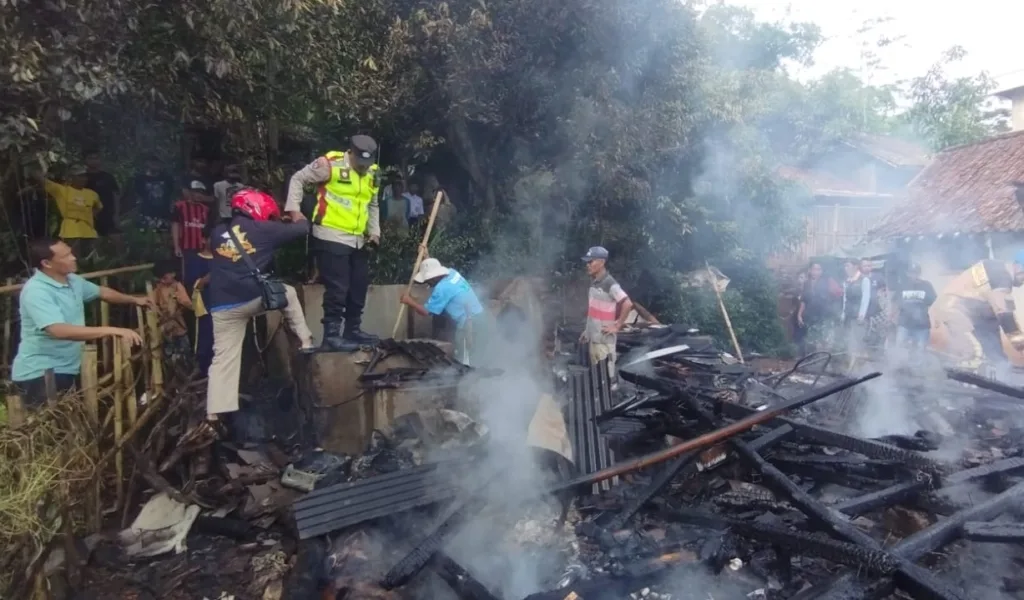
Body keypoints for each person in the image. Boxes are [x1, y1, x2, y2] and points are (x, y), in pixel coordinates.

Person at [204, 189, 315, 428]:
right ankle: (305, 340)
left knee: (223, 357)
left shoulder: (215, 234)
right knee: (289, 293)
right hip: (253, 298)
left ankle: (215, 412)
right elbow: (303, 229)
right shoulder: (264, 230)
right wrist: (295, 215)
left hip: (222, 306)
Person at [12, 238, 148, 407]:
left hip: (68, 367)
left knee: (72, 426)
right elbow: (58, 330)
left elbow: (101, 292)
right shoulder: (36, 291)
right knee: (55, 429)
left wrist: (134, 300)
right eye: (66, 256)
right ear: (46, 263)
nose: (73, 258)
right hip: (41, 373)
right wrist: (112, 330)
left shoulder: (72, 280)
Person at [285, 135, 381, 351]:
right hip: (331, 234)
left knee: (359, 285)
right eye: (360, 163)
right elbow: (298, 179)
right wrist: (294, 211)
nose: (364, 168)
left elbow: (372, 204)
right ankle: (331, 335)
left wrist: (375, 232)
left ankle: (353, 330)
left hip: (359, 239)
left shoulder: (373, 172)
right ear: (351, 153)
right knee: (338, 287)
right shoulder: (329, 164)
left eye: (367, 164)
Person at [932, 252, 1024, 369]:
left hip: (977, 315)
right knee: (974, 353)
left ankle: (999, 383)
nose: (1023, 282)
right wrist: (1021, 346)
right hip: (955, 309)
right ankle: (954, 381)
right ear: (1019, 267)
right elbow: (1006, 317)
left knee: (998, 359)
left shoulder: (996, 268)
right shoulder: (1002, 278)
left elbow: (996, 310)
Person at [400, 258, 489, 365]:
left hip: (469, 324)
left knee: (465, 362)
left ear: (432, 278)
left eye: (427, 280)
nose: (427, 283)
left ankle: (469, 381)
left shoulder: (442, 289)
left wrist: (408, 301)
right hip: (480, 317)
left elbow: (425, 312)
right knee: (477, 356)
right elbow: (433, 272)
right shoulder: (452, 273)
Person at [579, 246, 633, 388]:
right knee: (597, 376)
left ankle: (611, 404)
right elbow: (593, 310)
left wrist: (617, 325)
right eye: (587, 262)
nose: (588, 265)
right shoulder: (594, 282)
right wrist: (587, 331)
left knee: (607, 379)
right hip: (594, 340)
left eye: (591, 262)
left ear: (602, 262)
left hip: (604, 342)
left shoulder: (610, 283)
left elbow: (627, 304)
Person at [36, 165, 102, 256]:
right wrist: (35, 168)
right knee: (73, 255)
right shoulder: (62, 190)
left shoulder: (92, 194)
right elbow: (43, 181)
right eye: (80, 176)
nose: (83, 179)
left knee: (91, 256)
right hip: (71, 230)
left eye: (84, 176)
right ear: (72, 178)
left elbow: (98, 207)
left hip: (88, 231)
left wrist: (87, 216)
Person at [150, 259, 194, 376]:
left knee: (184, 353)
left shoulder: (177, 286)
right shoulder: (158, 289)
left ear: (173, 274)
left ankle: (186, 375)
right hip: (164, 327)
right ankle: (171, 377)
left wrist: (180, 300)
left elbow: (189, 304)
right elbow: (151, 304)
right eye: (161, 278)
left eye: (164, 277)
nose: (162, 281)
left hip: (178, 326)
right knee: (168, 356)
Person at [172, 180, 212, 293]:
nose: (199, 195)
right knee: (188, 275)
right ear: (189, 192)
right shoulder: (180, 206)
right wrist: (176, 246)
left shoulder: (205, 209)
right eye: (196, 192)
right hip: (186, 246)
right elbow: (175, 225)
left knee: (203, 273)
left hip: (202, 247)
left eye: (201, 192)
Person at [796, 261, 842, 354]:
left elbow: (839, 294)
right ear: (810, 270)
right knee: (811, 341)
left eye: (819, 269)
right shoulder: (806, 284)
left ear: (821, 271)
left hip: (825, 316)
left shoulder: (828, 281)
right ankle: (812, 362)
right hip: (811, 316)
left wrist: (836, 310)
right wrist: (799, 314)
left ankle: (825, 361)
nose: (816, 272)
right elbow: (804, 301)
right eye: (814, 269)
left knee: (825, 341)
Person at [127, 156, 177, 235]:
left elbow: (172, 196)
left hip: (164, 216)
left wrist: (172, 212)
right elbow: (136, 197)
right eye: (153, 162)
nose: (155, 165)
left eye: (157, 163)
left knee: (164, 240)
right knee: (145, 240)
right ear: (147, 163)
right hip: (146, 216)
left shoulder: (167, 178)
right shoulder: (140, 179)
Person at [894, 263, 936, 350]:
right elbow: (895, 302)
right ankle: (899, 363)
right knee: (899, 346)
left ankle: (920, 364)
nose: (913, 275)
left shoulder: (926, 286)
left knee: (920, 349)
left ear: (919, 273)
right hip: (904, 324)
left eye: (916, 273)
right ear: (907, 273)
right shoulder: (902, 286)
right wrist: (893, 315)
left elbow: (934, 302)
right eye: (911, 273)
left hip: (922, 325)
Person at [84, 150, 121, 244]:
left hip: (107, 214)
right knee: (94, 242)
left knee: (117, 239)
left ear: (100, 160)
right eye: (90, 158)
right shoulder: (81, 178)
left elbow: (115, 195)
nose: (93, 161)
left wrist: (116, 214)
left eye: (96, 158)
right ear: (85, 160)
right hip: (89, 215)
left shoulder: (108, 177)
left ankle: (121, 258)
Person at [841, 258, 876, 354]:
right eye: (845, 266)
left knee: (858, 342)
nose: (846, 268)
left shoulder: (864, 280)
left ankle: (859, 366)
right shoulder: (847, 281)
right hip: (849, 315)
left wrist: (861, 315)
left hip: (859, 318)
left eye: (848, 265)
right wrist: (843, 314)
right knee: (849, 342)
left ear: (856, 266)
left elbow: (866, 298)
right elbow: (845, 298)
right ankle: (851, 364)